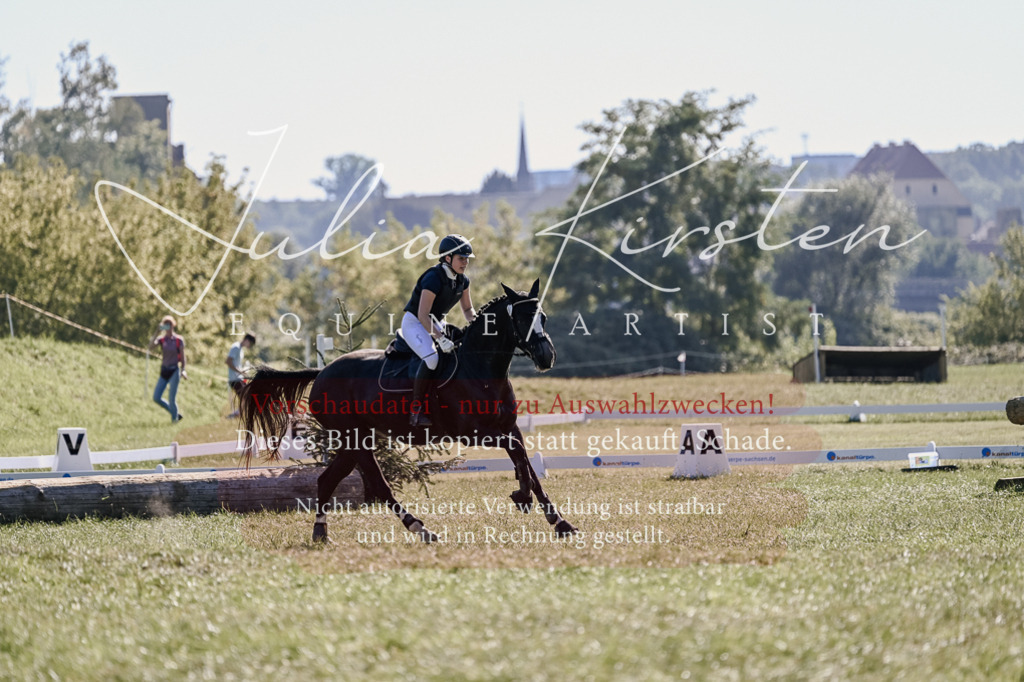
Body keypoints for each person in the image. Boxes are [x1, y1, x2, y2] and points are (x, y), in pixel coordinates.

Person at [402, 234, 476, 426]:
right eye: (461, 258)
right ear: (447, 258)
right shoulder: (433, 278)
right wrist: (440, 338)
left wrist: (477, 323)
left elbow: (467, 309)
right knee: (433, 358)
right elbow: (422, 315)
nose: (465, 262)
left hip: (437, 322)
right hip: (415, 322)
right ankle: (416, 411)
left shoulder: (463, 281)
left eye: (467, 258)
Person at [150, 315, 187, 422]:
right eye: (165, 325)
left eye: (169, 325)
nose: (168, 327)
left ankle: (174, 420)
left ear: (173, 326)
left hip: (174, 370)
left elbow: (183, 357)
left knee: (172, 398)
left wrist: (183, 370)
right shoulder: (162, 340)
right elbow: (151, 346)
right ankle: (174, 413)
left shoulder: (178, 340)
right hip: (164, 370)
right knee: (156, 397)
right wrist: (157, 332)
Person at [226, 333, 256, 418]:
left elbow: (236, 364)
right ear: (247, 340)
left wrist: (243, 370)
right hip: (234, 379)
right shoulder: (236, 347)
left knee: (247, 396)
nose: (250, 346)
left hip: (239, 378)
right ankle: (236, 414)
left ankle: (238, 414)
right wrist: (240, 371)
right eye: (251, 344)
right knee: (246, 396)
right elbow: (228, 361)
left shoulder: (240, 349)